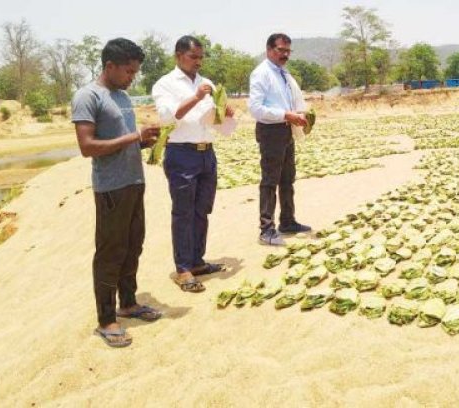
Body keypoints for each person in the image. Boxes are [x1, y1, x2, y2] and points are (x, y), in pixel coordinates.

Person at [72, 38, 162, 348]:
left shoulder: (122, 96)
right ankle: (106, 319)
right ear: (109, 66)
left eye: (135, 72)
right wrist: (133, 136)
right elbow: (87, 147)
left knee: (132, 245)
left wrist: (144, 141)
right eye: (128, 71)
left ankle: (128, 303)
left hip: (134, 182)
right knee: (110, 251)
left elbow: (125, 139)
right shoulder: (88, 96)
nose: (131, 77)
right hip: (111, 187)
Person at [152, 35, 234, 292]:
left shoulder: (206, 82)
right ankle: (183, 269)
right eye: (193, 57)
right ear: (178, 56)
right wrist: (197, 97)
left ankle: (197, 261)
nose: (198, 62)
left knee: (202, 210)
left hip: (206, 152)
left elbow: (214, 120)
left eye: (201, 57)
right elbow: (169, 115)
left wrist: (225, 113)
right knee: (183, 211)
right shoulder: (165, 84)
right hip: (181, 153)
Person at [248, 33, 312, 246]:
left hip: (286, 130)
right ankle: (266, 229)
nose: (285, 55)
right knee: (270, 181)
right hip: (271, 132)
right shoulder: (261, 73)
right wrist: (285, 114)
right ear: (269, 50)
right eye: (281, 50)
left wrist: (298, 116)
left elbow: (289, 101)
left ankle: (287, 221)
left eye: (287, 51)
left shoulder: (283, 74)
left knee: (287, 179)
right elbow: (256, 109)